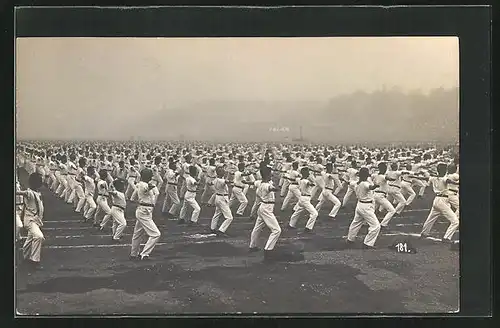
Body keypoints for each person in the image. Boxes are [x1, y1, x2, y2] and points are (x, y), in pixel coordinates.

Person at [420, 163, 459, 242]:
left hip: (436, 200)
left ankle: (424, 233)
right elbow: (450, 181)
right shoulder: (444, 179)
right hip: (442, 201)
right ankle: (447, 237)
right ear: (445, 170)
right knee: (455, 221)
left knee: (431, 218)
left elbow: (427, 178)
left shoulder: (433, 178)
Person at [249, 166, 282, 259]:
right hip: (266, 208)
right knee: (277, 230)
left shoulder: (260, 183)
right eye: (270, 173)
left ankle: (252, 246)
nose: (271, 175)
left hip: (263, 207)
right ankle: (268, 250)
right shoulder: (266, 185)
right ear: (267, 175)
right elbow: (271, 188)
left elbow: (255, 183)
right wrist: (276, 188)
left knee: (257, 228)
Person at [129, 168, 161, 260]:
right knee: (156, 234)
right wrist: (152, 186)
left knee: (138, 233)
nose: (151, 177)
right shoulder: (143, 184)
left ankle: (133, 254)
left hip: (145, 210)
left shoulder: (142, 184)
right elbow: (146, 188)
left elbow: (156, 193)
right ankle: (144, 254)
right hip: (144, 211)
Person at [346, 167, 381, 249]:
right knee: (376, 226)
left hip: (360, 205)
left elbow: (349, 182)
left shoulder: (355, 183)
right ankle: (368, 244)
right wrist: (376, 185)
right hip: (366, 207)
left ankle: (350, 239)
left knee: (356, 223)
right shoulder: (365, 184)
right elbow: (370, 187)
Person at [16, 172, 45, 269]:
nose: (42, 181)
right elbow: (21, 193)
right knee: (39, 236)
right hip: (30, 220)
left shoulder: (37, 192)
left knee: (30, 239)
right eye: (40, 180)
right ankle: (34, 260)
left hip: (36, 220)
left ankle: (26, 255)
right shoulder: (29, 193)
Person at [288, 167, 319, 233]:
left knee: (297, 212)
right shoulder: (305, 181)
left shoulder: (300, 179)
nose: (309, 173)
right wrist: (312, 179)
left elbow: (295, 179)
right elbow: (311, 184)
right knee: (315, 214)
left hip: (302, 198)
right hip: (305, 199)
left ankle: (291, 224)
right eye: (307, 172)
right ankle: (308, 228)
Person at [210, 167, 234, 236]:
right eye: (222, 171)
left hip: (218, 197)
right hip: (222, 198)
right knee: (229, 217)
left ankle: (213, 227)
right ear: (219, 173)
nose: (223, 172)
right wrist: (232, 181)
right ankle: (221, 230)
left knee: (217, 213)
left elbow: (211, 183)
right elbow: (226, 181)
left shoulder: (216, 180)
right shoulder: (221, 180)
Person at [371, 162, 396, 230]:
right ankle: (383, 224)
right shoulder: (383, 176)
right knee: (392, 210)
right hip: (380, 196)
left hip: (374, 194)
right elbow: (389, 178)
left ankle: (364, 222)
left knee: (372, 210)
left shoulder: (375, 175)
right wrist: (393, 178)